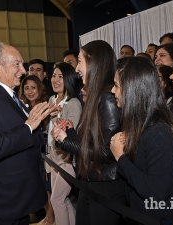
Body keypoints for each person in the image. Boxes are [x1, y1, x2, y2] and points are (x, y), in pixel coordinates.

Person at [0, 42, 57, 225]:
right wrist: (29, 125)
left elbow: (27, 138)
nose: (23, 70)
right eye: (17, 64)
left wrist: (40, 121)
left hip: (17, 199)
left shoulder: (11, 97)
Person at [110, 57, 173, 224]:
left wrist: (121, 158)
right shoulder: (141, 123)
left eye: (117, 85)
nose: (113, 91)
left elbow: (156, 192)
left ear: (133, 89)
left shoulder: (159, 131)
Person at [51, 40, 126, 225]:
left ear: (94, 63)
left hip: (106, 184)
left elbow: (108, 152)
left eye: (79, 61)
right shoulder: (96, 95)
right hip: (92, 180)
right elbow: (92, 141)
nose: (76, 68)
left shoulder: (107, 98)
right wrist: (70, 132)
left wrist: (65, 141)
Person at [48, 62, 82, 225]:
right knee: (63, 199)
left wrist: (59, 122)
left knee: (57, 200)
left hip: (67, 159)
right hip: (53, 155)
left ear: (68, 79)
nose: (55, 79)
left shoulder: (73, 103)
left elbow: (70, 135)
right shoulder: (52, 99)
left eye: (60, 76)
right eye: (54, 75)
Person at [19, 75, 54, 225]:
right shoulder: (20, 107)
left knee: (46, 186)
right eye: (26, 88)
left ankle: (52, 217)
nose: (30, 91)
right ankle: (49, 215)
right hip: (28, 152)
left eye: (33, 87)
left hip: (43, 151)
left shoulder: (45, 106)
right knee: (38, 187)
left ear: (40, 89)